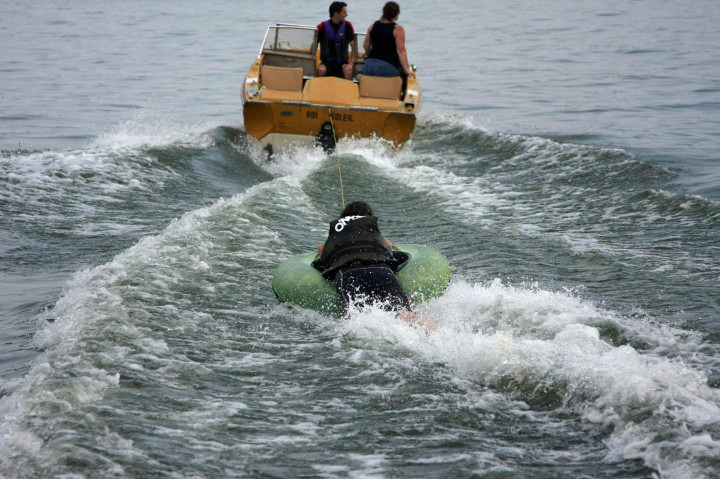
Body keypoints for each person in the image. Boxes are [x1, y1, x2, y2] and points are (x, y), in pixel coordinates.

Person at [313, 201, 435, 330]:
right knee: (406, 314)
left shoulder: (336, 234)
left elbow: (322, 252)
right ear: (369, 217)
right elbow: (388, 245)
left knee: (363, 318)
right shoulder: (372, 233)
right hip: (381, 271)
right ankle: (435, 332)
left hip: (350, 275)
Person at [362, 1, 415, 78]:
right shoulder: (397, 29)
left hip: (368, 65)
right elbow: (401, 51)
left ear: (383, 12)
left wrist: (369, 55)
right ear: (396, 14)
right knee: (403, 76)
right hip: (386, 67)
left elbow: (365, 45)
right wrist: (407, 70)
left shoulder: (373, 26)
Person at [317, 2, 357, 80]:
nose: (346, 15)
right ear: (336, 14)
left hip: (343, 63)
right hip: (327, 63)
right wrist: (315, 63)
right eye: (344, 13)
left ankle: (348, 90)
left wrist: (351, 64)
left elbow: (354, 47)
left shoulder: (348, 26)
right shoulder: (322, 27)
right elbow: (314, 45)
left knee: (348, 70)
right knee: (321, 70)